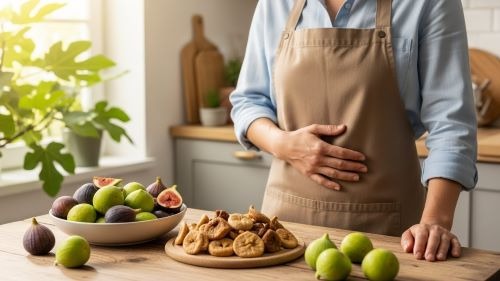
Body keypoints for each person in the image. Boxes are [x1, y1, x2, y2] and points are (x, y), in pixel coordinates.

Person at [230, 0, 477, 262]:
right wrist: (283, 144)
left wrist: (435, 221)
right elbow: (249, 101)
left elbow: (452, 122)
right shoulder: (275, 3)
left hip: (391, 235)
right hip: (282, 236)